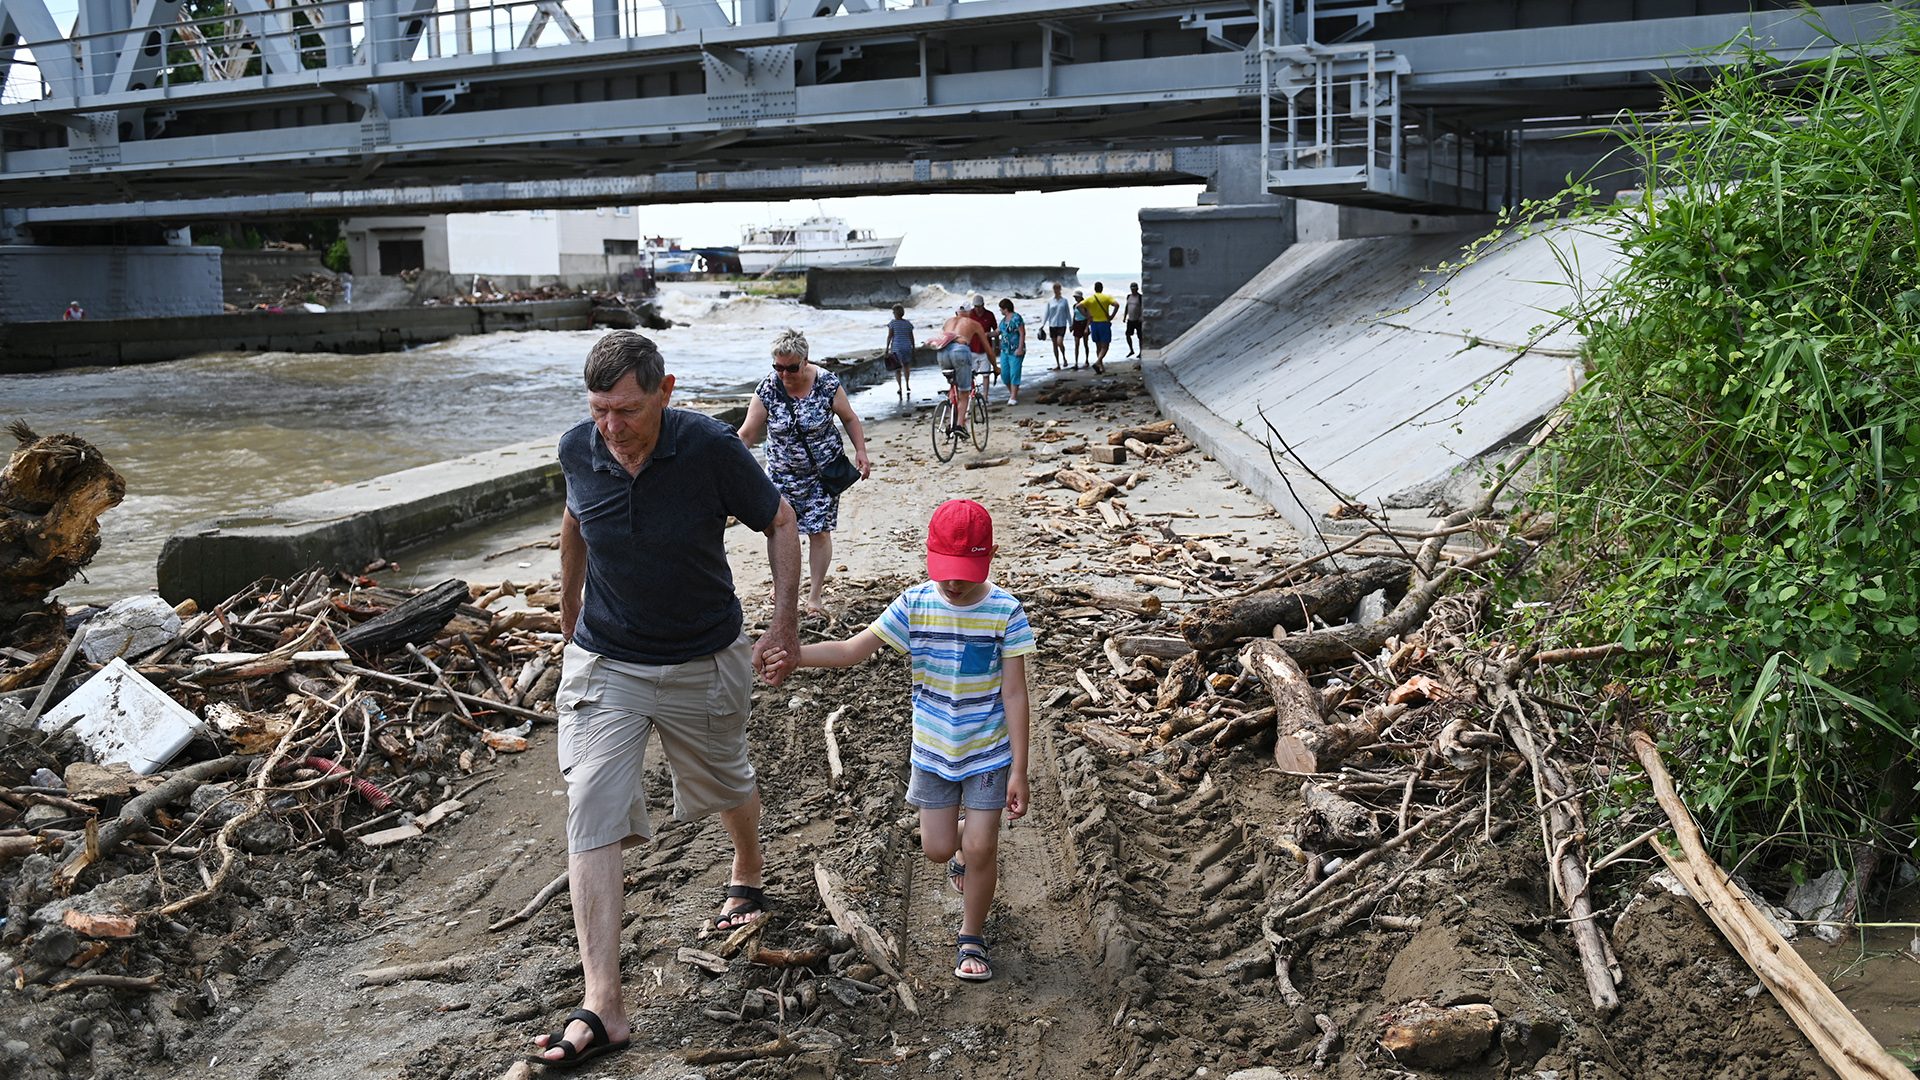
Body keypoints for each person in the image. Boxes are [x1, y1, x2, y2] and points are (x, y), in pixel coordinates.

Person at [536, 330, 802, 1068]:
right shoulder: (577, 448)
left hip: (701, 657)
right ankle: (604, 1005)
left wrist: (783, 620)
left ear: (666, 390)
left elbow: (780, 519)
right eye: (598, 411)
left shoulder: (711, 447)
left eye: (625, 410)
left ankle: (746, 866)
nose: (611, 429)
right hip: (606, 661)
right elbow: (574, 522)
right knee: (589, 802)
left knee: (726, 784)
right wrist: (569, 615)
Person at [766, 499, 1032, 982]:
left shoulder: (1005, 611)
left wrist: (1019, 768)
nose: (953, 582)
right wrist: (794, 657)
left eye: (966, 571)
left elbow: (1014, 692)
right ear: (930, 557)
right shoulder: (915, 604)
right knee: (937, 848)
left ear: (989, 557)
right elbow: (851, 651)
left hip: (989, 752)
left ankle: (972, 937)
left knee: (981, 848)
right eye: (946, 570)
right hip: (933, 752)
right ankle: (957, 858)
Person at [738, 328, 873, 619]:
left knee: (818, 532)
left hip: (822, 474)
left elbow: (849, 418)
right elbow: (747, 433)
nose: (784, 374)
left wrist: (861, 451)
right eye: (778, 367)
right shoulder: (768, 389)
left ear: (806, 360)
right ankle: (784, 587)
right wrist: (724, 460)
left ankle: (814, 597)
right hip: (781, 474)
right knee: (778, 531)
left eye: (791, 367)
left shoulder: (826, 383)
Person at [926, 305, 997, 441]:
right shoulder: (973, 323)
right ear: (970, 312)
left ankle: (951, 410)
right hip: (960, 351)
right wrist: (995, 367)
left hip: (942, 353)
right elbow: (988, 349)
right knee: (964, 392)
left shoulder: (948, 321)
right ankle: (959, 426)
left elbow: (943, 338)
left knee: (954, 383)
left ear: (956, 313)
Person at [1082, 281, 1119, 373]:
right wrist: (1112, 316)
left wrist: (1087, 316)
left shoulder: (1090, 299)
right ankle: (1098, 362)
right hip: (1104, 323)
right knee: (1105, 346)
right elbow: (1117, 305)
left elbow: (1078, 306)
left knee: (1098, 346)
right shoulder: (1106, 298)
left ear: (1094, 289)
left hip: (1094, 324)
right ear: (1102, 289)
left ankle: (1101, 366)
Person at [996, 298, 1026, 406]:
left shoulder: (1017, 318)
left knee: (1014, 373)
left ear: (1006, 308)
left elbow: (1022, 333)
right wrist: (986, 334)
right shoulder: (1003, 320)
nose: (1000, 311)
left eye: (1001, 309)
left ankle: (1013, 397)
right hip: (1005, 350)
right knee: (1004, 374)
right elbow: (998, 331)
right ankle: (1013, 393)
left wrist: (1020, 348)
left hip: (1016, 350)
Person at [884, 304, 915, 400]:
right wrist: (913, 347)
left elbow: (890, 336)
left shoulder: (893, 323)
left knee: (897, 369)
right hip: (907, 347)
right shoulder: (908, 324)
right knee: (906, 366)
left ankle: (900, 388)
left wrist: (887, 348)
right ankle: (907, 385)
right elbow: (911, 337)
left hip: (897, 348)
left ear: (895, 314)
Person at [1042, 283, 1071, 370]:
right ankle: (1058, 363)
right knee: (1054, 345)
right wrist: (1043, 324)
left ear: (1060, 290)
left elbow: (1067, 313)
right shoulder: (1050, 301)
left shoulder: (1064, 301)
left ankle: (1064, 358)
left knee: (1059, 342)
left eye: (1058, 289)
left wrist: (1071, 324)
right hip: (1052, 324)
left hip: (1062, 324)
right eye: (1055, 289)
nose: (1056, 290)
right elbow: (1046, 313)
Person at [1069, 290, 1090, 368]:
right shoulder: (1075, 306)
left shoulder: (1085, 305)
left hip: (1084, 323)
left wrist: (1087, 328)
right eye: (1075, 297)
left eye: (1076, 297)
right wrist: (1072, 326)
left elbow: (1089, 317)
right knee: (1076, 344)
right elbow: (1074, 316)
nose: (1075, 298)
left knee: (1085, 344)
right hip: (1077, 324)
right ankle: (1076, 363)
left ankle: (1087, 360)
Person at [1123, 282, 1144, 357]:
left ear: (1137, 289)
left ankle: (1141, 352)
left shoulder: (1140, 297)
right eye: (1132, 289)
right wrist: (1125, 316)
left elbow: (1143, 307)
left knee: (1140, 337)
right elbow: (1127, 306)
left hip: (1137, 320)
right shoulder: (1129, 296)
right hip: (1130, 319)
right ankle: (1131, 350)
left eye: (1134, 289)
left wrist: (1141, 316)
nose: (1133, 290)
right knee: (1128, 335)